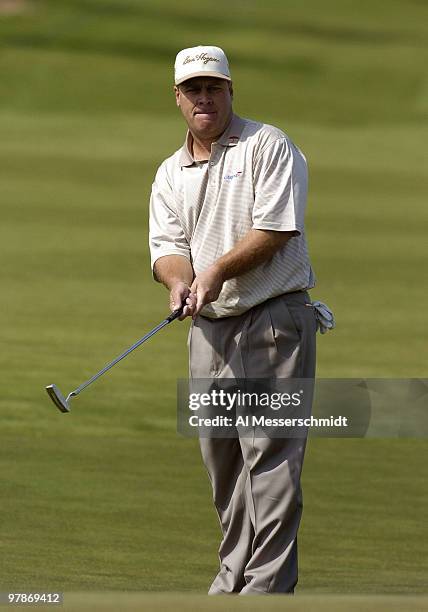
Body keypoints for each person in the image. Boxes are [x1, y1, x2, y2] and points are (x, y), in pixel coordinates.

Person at [149, 45, 333, 594]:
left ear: (231, 91)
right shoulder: (169, 171)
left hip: (274, 319)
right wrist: (181, 281)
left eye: (214, 88)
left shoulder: (267, 146)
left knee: (271, 459)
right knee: (221, 458)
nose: (204, 98)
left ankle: (266, 589)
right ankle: (232, 581)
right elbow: (167, 247)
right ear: (177, 98)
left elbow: (276, 231)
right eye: (193, 90)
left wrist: (215, 275)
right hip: (210, 328)